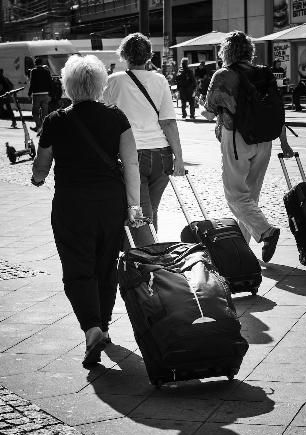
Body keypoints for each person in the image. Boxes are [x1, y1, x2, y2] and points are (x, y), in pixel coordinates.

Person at [30, 55, 143, 367]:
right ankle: (103, 327)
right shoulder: (117, 118)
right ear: (100, 84)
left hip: (71, 204)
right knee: (107, 266)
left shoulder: (55, 120)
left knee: (77, 267)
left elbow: (42, 165)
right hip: (110, 203)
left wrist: (37, 178)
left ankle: (91, 328)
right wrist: (134, 206)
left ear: (68, 85)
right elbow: (131, 163)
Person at [204, 31, 295, 263]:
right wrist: (284, 143)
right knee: (250, 197)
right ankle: (242, 252)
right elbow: (277, 110)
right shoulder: (263, 73)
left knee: (235, 196)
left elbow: (209, 108)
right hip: (265, 140)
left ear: (226, 51)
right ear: (249, 51)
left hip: (237, 138)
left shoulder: (224, 75)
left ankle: (266, 232)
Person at [102, 32, 185, 230]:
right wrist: (179, 158)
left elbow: (102, 117)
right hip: (162, 156)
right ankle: (145, 251)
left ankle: (145, 255)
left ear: (124, 55)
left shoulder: (114, 81)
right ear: (149, 56)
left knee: (141, 214)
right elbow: (169, 123)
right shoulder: (160, 80)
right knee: (149, 211)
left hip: (131, 155)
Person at [28, 57, 52, 132]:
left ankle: (39, 127)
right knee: (44, 112)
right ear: (42, 63)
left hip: (37, 94)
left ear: (35, 63)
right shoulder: (47, 71)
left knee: (35, 112)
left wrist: (29, 93)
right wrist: (50, 93)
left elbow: (32, 83)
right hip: (46, 94)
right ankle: (44, 128)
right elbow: (50, 83)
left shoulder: (33, 71)